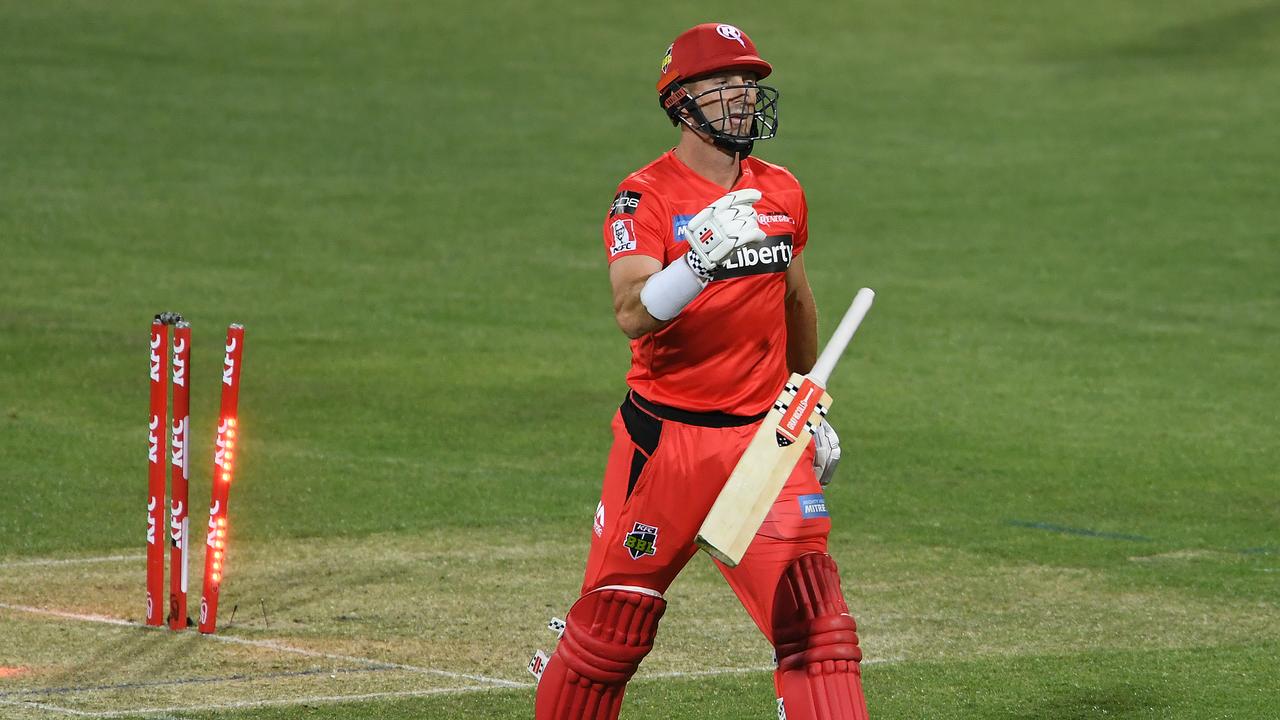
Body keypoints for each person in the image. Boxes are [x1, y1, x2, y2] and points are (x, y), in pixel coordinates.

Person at [534, 22, 869, 720]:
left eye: (749, 83)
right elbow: (632, 311)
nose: (742, 97)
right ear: (680, 100)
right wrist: (698, 262)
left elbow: (796, 301)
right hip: (665, 451)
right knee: (608, 637)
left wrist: (807, 404)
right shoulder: (644, 197)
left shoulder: (782, 191)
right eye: (723, 83)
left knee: (819, 630)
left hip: (761, 444)